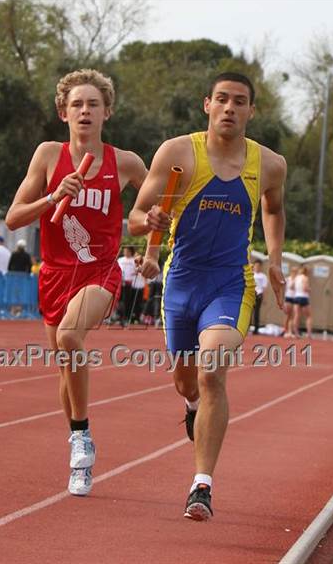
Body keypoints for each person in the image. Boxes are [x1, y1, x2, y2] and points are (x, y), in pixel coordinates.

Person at [128, 72, 286, 520]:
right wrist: (150, 226)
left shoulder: (270, 164)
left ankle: (202, 486)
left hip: (230, 284)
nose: (230, 108)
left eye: (240, 101)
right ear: (207, 105)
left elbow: (274, 208)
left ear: (252, 111)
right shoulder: (178, 152)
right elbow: (137, 216)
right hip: (181, 282)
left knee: (213, 369)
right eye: (222, 99)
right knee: (187, 380)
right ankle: (192, 405)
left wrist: (274, 258)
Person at [5, 68, 147, 496]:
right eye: (77, 105)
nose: (85, 111)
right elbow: (13, 218)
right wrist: (52, 194)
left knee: (70, 337)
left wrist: (155, 241)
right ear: (63, 113)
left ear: (108, 112)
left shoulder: (126, 162)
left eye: (93, 104)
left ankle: (82, 438)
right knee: (65, 367)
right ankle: (78, 441)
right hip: (54, 273)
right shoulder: (49, 155)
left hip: (100, 270)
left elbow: (155, 208)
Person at [116, 246, 137, 324]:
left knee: (126, 301)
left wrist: (135, 272)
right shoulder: (120, 260)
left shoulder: (134, 260)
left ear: (131, 252)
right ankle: (118, 316)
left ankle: (126, 317)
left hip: (129, 283)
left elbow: (138, 269)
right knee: (118, 300)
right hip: (120, 283)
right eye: (125, 251)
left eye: (127, 251)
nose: (126, 252)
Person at [293, 265, 312, 338]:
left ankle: (296, 333)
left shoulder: (296, 278)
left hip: (296, 297)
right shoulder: (305, 278)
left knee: (297, 316)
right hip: (304, 297)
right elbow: (305, 288)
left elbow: (292, 287)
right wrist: (309, 289)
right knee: (309, 316)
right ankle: (309, 334)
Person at [252, 259, 268, 335]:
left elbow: (264, 288)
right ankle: (246, 328)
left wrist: (264, 298)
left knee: (256, 312)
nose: (257, 267)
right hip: (251, 295)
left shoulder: (263, 276)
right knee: (248, 312)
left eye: (259, 266)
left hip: (259, 294)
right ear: (254, 266)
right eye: (256, 266)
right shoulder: (251, 274)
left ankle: (256, 329)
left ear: (261, 267)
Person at [283, 266, 297, 337]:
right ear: (291, 272)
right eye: (294, 272)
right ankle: (286, 330)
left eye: (296, 272)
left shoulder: (297, 279)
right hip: (288, 297)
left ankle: (289, 331)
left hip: (294, 298)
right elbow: (290, 287)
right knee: (289, 315)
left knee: (292, 316)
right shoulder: (288, 279)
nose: (295, 273)